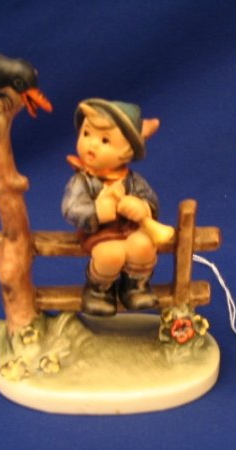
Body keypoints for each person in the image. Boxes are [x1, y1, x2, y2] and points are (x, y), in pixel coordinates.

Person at [62, 98, 162, 316]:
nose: (92, 144)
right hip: (99, 234)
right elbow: (71, 209)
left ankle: (134, 286)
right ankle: (99, 290)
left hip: (131, 230)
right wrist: (98, 212)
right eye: (86, 134)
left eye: (105, 140)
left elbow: (151, 200)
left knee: (144, 245)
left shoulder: (132, 180)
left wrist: (143, 207)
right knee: (110, 254)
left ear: (127, 152)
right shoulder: (82, 181)